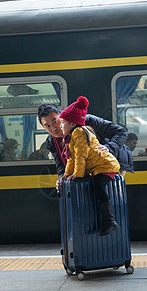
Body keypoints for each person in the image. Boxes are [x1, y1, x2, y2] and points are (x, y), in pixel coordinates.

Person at [59, 96, 120, 236]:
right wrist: (66, 174)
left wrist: (78, 174)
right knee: (94, 188)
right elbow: (71, 159)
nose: (60, 126)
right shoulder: (72, 136)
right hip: (98, 167)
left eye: (63, 122)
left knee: (99, 186)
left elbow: (81, 155)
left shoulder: (79, 133)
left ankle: (110, 221)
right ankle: (103, 221)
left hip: (106, 166)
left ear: (72, 124)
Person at [37, 103, 133, 177]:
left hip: (111, 162)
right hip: (87, 167)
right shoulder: (52, 141)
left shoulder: (86, 120)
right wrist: (62, 179)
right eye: (47, 126)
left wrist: (108, 147)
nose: (53, 128)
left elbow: (121, 132)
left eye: (55, 121)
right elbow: (61, 167)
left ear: (61, 116)